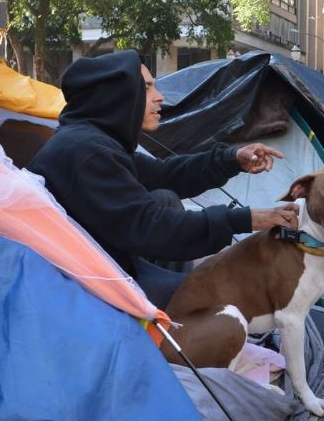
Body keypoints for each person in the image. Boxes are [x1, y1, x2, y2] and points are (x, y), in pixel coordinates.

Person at [27, 50, 299, 306]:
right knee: (222, 295)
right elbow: (149, 227)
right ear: (116, 95)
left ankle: (172, 312)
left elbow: (163, 175)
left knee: (164, 198)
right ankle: (165, 328)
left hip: (109, 262)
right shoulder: (87, 152)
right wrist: (247, 219)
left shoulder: (95, 140)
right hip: (90, 285)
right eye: (146, 87)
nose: (160, 97)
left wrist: (231, 158)